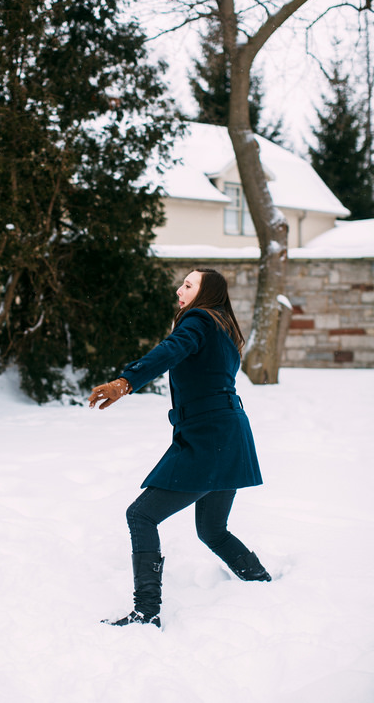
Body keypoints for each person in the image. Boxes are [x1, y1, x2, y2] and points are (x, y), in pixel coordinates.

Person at [89, 268, 271, 629]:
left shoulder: (199, 320)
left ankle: (147, 612)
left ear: (206, 294)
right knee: (212, 530)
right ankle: (261, 582)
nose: (179, 289)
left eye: (188, 285)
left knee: (141, 515)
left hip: (209, 438)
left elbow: (171, 350)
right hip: (230, 433)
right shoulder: (224, 327)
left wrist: (126, 381)